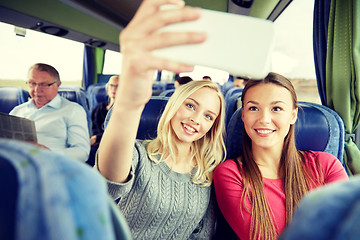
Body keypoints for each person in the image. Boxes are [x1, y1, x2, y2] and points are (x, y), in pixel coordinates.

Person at [96, 0, 226, 238]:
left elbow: (201, 235)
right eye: (190, 105)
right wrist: (129, 102)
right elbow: (107, 184)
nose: (197, 119)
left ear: (212, 127)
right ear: (174, 107)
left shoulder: (208, 173)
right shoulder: (137, 155)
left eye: (208, 116)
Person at [213, 72, 349, 240]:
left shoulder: (327, 165)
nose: (264, 119)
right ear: (243, 115)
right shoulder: (230, 174)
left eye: (276, 108)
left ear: (293, 115)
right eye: (253, 108)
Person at [10, 63, 90, 162]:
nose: (37, 89)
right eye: (32, 83)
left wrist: (48, 153)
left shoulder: (73, 110)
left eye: (43, 84)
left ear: (58, 85)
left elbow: (82, 152)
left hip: (52, 167)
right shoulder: (17, 111)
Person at [90, 75, 119, 147]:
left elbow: (118, 133)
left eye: (117, 86)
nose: (114, 89)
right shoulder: (98, 108)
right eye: (111, 85)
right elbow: (93, 130)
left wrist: (97, 138)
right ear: (107, 88)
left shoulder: (124, 110)